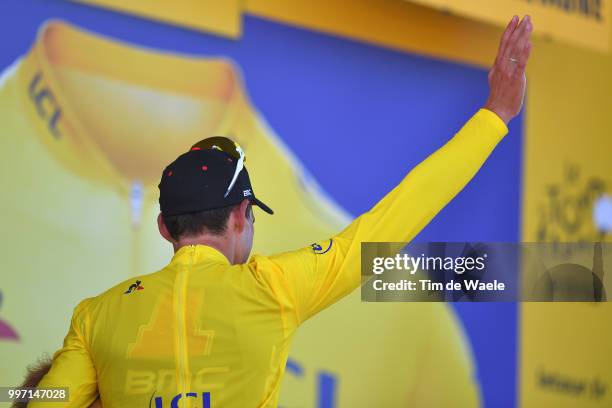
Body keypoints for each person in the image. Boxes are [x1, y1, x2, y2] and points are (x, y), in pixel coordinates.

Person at [29, 15, 533, 408]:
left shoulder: (96, 316)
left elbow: (46, 401)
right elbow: (393, 218)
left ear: (165, 228)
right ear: (240, 217)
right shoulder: (274, 288)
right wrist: (494, 117)